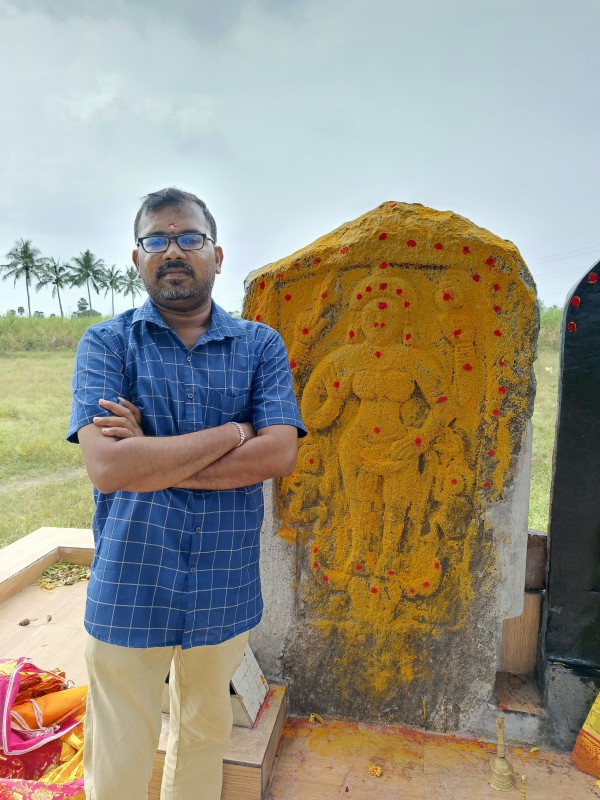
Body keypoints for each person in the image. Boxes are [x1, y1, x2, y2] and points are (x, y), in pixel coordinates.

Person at [67, 187, 306, 800]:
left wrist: (150, 454)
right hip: (131, 579)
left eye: (189, 238)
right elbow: (108, 468)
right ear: (137, 258)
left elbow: (279, 454)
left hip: (223, 584)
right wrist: (234, 433)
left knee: (203, 738)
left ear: (216, 256)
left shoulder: (259, 345)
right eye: (157, 239)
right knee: (119, 753)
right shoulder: (108, 344)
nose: (173, 250)